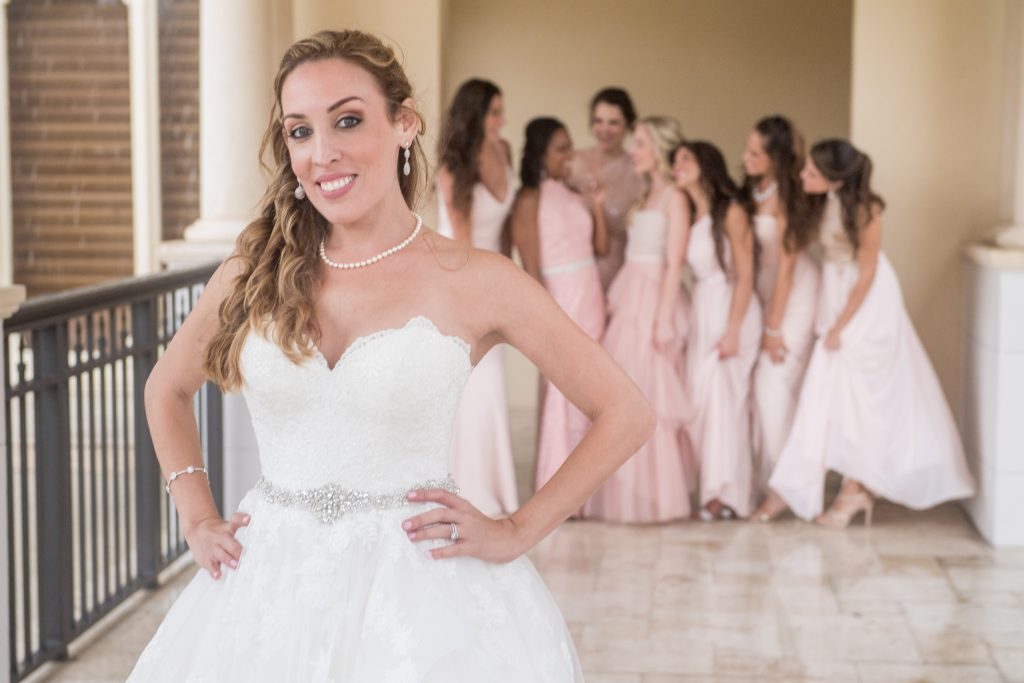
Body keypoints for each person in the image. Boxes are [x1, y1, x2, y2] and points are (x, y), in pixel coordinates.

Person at [128, 30, 653, 681]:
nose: (323, 154)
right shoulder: (253, 268)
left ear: (405, 123)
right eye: (299, 131)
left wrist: (517, 528)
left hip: (422, 601)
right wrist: (198, 516)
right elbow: (166, 389)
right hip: (266, 591)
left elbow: (626, 412)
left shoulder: (476, 279)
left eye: (347, 120)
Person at [767, 139, 975, 526]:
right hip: (835, 291)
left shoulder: (867, 210)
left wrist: (840, 325)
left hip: (866, 304)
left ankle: (855, 490)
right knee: (838, 393)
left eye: (811, 172)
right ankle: (832, 486)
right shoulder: (822, 202)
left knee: (864, 394)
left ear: (835, 179)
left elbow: (868, 272)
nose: (803, 177)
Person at [583, 116, 692, 523]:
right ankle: (621, 492)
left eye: (641, 143)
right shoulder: (646, 195)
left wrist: (663, 320)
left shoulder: (675, 199)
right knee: (621, 394)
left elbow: (675, 261)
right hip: (629, 295)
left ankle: (654, 497)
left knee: (651, 394)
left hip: (653, 301)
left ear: (660, 149)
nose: (634, 150)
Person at [509, 117, 608, 492]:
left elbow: (601, 249)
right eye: (560, 148)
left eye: (570, 146)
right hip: (562, 299)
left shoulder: (575, 193)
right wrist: (544, 322)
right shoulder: (529, 199)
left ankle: (593, 487)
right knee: (563, 389)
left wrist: (597, 205)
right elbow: (531, 269)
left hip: (591, 293)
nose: (570, 155)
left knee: (594, 389)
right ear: (541, 153)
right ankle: (560, 486)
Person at [435, 78, 518, 517]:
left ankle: (494, 487)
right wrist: (480, 299)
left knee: (493, 385)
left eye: (502, 112)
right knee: (471, 387)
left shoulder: (504, 152)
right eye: (493, 113)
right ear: (474, 116)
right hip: (460, 281)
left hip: (495, 278)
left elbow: (505, 229)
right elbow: (463, 242)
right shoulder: (453, 167)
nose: (501, 121)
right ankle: (466, 490)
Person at [738, 116, 821, 522]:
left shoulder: (789, 198)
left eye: (755, 152)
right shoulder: (753, 190)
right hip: (765, 294)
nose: (745, 157)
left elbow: (787, 270)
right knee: (764, 393)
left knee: (773, 388)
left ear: (775, 158)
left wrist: (773, 329)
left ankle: (787, 487)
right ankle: (775, 479)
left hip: (795, 297)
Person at [675, 141, 762, 520]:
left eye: (686, 159)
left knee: (725, 404)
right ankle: (711, 490)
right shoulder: (694, 216)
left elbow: (746, 275)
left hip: (731, 308)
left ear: (707, 165)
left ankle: (727, 497)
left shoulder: (733, 211)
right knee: (702, 406)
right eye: (675, 159)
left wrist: (733, 330)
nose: (677, 165)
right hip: (702, 310)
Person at [568, 87, 643, 291]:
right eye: (598, 121)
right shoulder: (573, 162)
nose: (604, 130)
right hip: (575, 272)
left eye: (614, 123)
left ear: (628, 124)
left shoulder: (637, 171)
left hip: (617, 274)